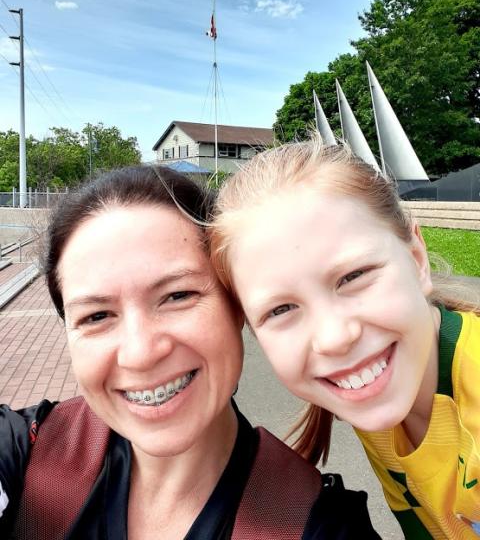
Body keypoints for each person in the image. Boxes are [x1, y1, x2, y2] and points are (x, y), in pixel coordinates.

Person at [0, 164, 379, 539]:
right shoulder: (22, 449)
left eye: (178, 295)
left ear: (236, 307)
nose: (141, 353)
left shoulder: (320, 526)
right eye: (97, 316)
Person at [209, 136, 480, 539]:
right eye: (280, 309)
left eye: (353, 276)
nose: (334, 338)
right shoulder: (381, 397)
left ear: (417, 260)